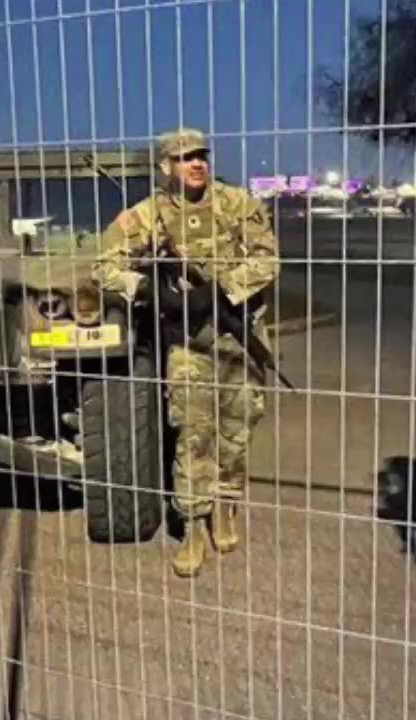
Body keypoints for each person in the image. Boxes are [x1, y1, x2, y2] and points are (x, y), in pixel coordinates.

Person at [93, 128, 278, 578]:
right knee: (194, 434)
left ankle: (225, 506)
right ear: (165, 167)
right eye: (184, 157)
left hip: (238, 338)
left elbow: (268, 260)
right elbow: (103, 266)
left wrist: (221, 291)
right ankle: (193, 526)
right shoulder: (147, 215)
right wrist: (151, 292)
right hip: (188, 345)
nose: (196, 163)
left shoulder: (238, 204)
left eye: (200, 156)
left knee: (237, 432)